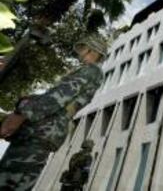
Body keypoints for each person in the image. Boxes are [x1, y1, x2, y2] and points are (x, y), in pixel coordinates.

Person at [0, 34, 106, 191]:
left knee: (7, 183)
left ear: (93, 51)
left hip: (39, 131)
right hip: (45, 132)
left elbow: (59, 96)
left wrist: (22, 113)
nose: (80, 53)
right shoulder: (93, 73)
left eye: (83, 48)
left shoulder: (91, 71)